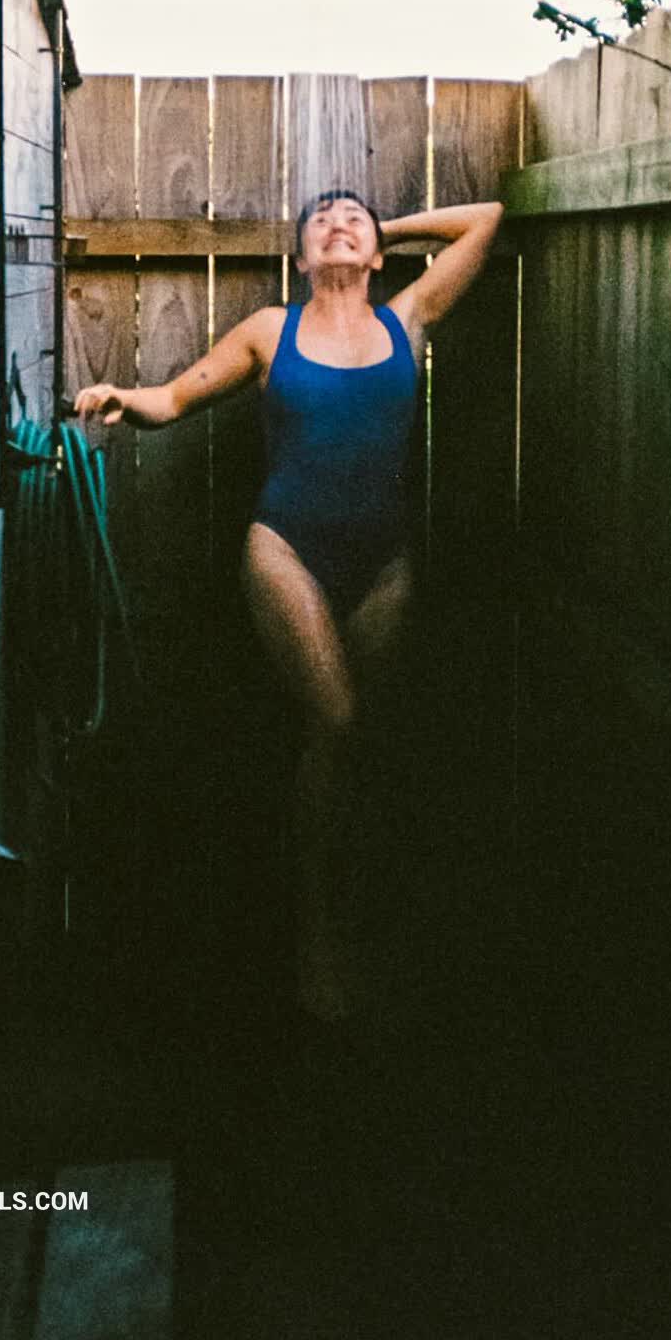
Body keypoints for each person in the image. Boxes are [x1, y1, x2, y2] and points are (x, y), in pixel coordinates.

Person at [75, 189, 505, 1021]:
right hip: (286, 551)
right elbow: (174, 398)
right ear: (301, 258)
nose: (337, 225)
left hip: (384, 564)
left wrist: (386, 228)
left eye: (352, 220)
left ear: (374, 254)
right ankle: (319, 943)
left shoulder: (408, 318)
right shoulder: (272, 331)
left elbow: (483, 219)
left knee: (351, 745)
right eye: (321, 222)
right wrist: (125, 397)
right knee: (337, 719)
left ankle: (352, 917)